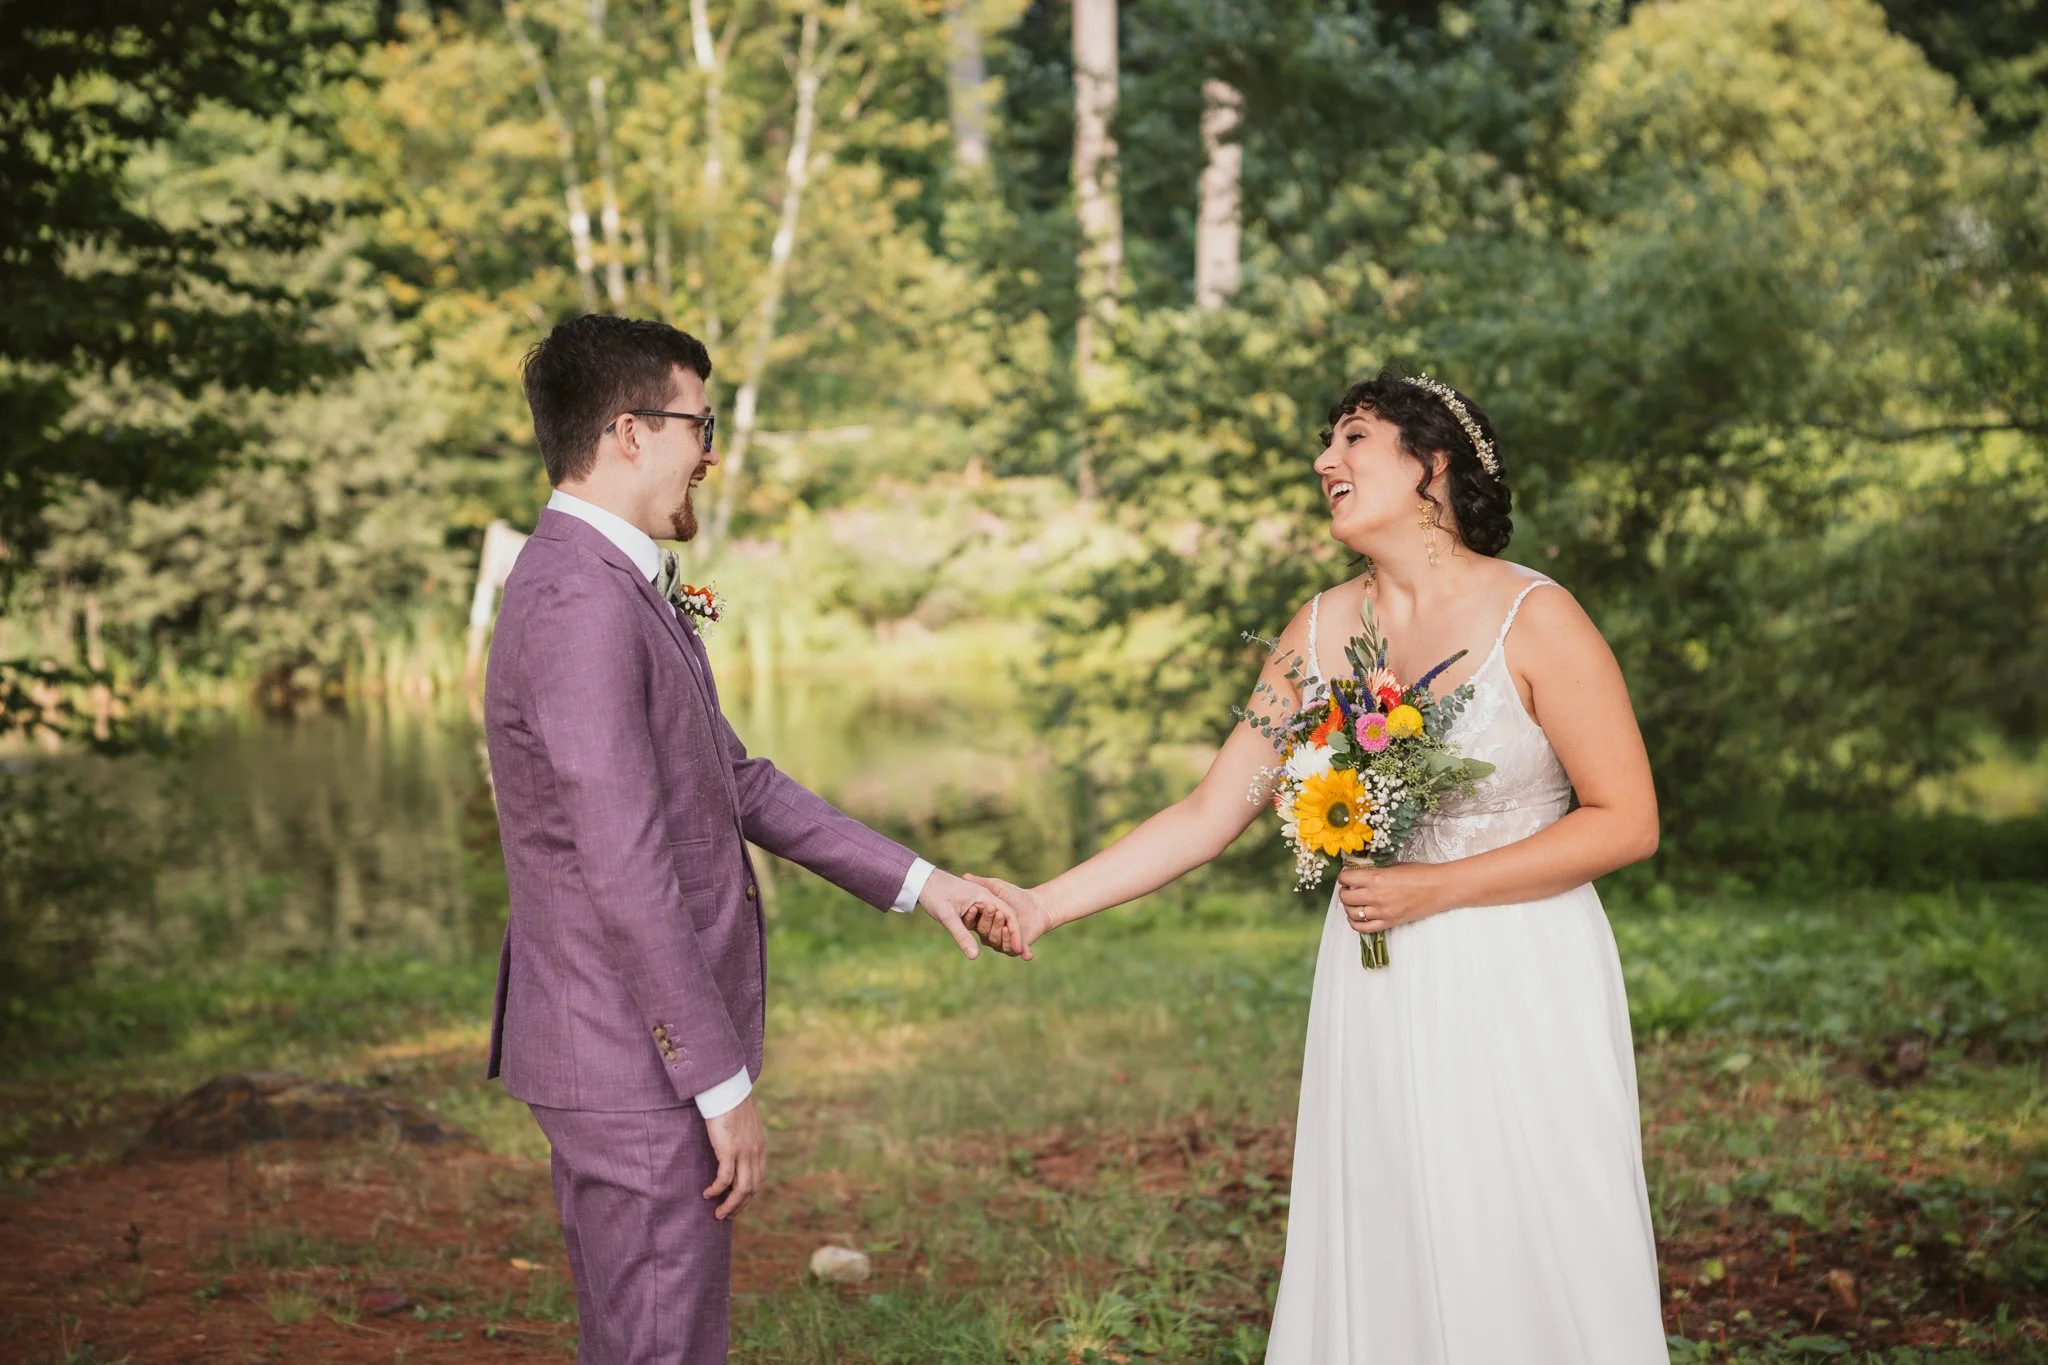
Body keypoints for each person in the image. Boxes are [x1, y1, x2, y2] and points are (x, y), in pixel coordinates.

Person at [964, 369, 1671, 1363]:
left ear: (1428, 467)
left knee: (1525, 1214)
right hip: (1377, 984)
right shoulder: (1318, 631)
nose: (1322, 462)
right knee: (1389, 1221)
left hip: (1523, 968)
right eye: (1324, 444)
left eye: (1350, 438)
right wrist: (1043, 903)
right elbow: (1212, 810)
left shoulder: (1537, 617)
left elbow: (1626, 820)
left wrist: (1434, 887)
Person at [481, 314, 1000, 1364]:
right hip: (633, 1056)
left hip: (614, 1044)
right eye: (699, 425)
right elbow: (624, 867)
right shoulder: (581, 600)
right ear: (629, 432)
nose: (711, 455)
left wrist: (921, 881)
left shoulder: (610, 582)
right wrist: (716, 1083)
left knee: (638, 1340)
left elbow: (734, 781)